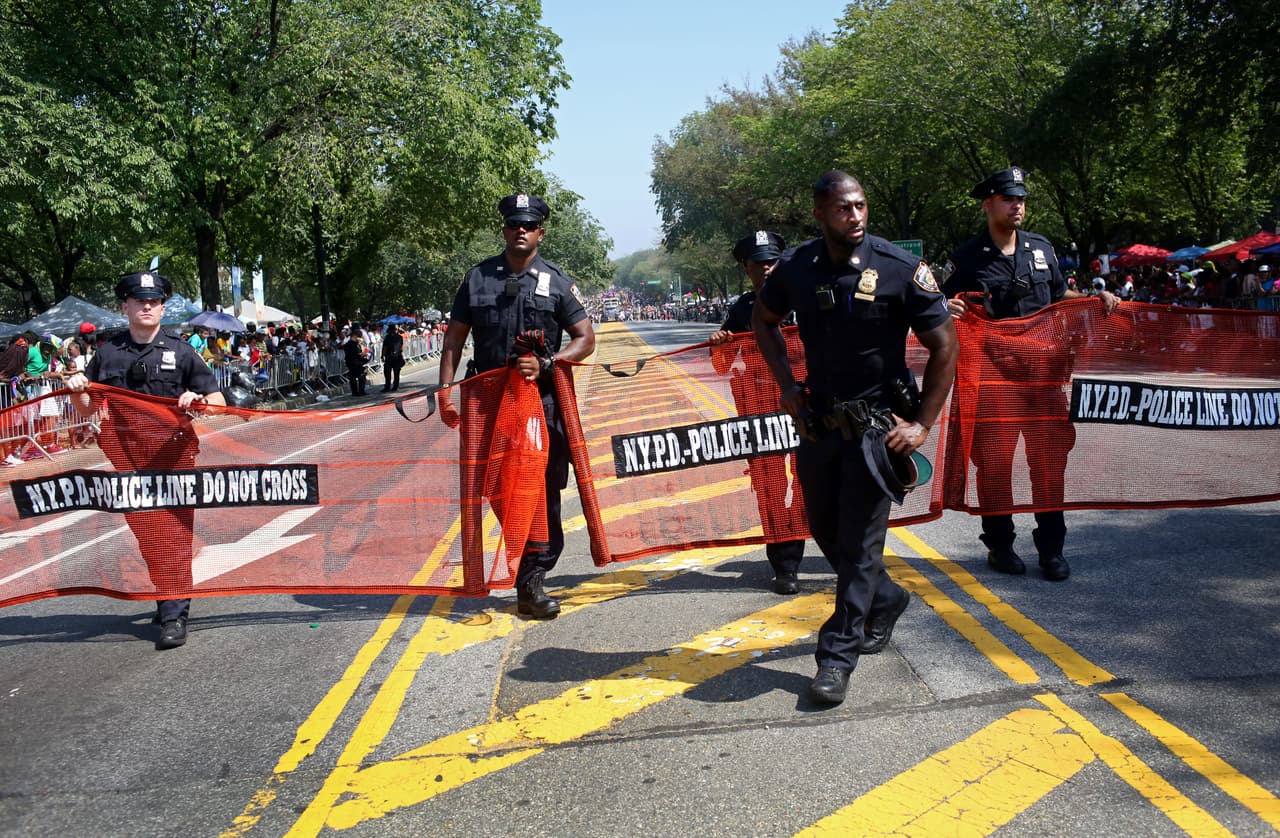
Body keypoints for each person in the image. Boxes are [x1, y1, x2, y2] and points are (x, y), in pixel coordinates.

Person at [753, 171, 958, 704]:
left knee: (862, 546)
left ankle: (835, 657)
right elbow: (764, 318)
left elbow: (945, 345)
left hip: (877, 432)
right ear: (820, 214)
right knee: (825, 530)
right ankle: (885, 601)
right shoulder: (797, 266)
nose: (856, 216)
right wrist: (787, 386)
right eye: (844, 209)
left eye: (861, 206)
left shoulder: (900, 267)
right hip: (820, 423)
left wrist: (923, 424)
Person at [943, 166, 1119, 582]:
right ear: (988, 205)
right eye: (1008, 198)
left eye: (1021, 198)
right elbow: (937, 303)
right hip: (993, 377)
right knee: (995, 463)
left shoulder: (1042, 249)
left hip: (1042, 378)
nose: (1017, 205)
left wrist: (1095, 300)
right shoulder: (967, 257)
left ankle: (1052, 549)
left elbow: (1059, 296)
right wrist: (946, 310)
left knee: (1047, 463)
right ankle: (1000, 545)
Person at [437, 193, 596, 618]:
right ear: (504, 229)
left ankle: (532, 580)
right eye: (513, 224)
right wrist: (444, 390)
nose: (520, 230)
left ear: (541, 232)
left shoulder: (556, 281)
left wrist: (548, 362)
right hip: (487, 407)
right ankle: (529, 571)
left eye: (528, 225)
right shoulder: (477, 278)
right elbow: (454, 338)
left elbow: (585, 339)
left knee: (543, 492)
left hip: (540, 406)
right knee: (499, 492)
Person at [63, 271, 226, 650]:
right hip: (129, 460)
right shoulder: (107, 354)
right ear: (125, 307)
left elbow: (217, 402)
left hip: (174, 457)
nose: (147, 306)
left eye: (154, 301)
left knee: (173, 534)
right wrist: (75, 390)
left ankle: (174, 612)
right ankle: (167, 593)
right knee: (148, 536)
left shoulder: (181, 350)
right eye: (139, 301)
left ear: (163, 307)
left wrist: (197, 402)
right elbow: (89, 405)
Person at [709, 231, 810, 594]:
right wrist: (720, 346)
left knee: (810, 479)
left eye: (772, 262)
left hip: (810, 405)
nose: (766, 269)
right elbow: (721, 367)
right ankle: (784, 564)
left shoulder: (806, 295)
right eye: (758, 264)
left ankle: (809, 543)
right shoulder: (741, 309)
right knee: (770, 484)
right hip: (763, 408)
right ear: (746, 269)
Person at [341, 325, 368, 396]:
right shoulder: (353, 345)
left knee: (353, 377)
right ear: (356, 336)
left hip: (350, 362)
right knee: (361, 376)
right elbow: (356, 354)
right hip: (356, 362)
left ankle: (355, 392)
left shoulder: (349, 344)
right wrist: (363, 355)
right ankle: (361, 391)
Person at [381, 323, 405, 392]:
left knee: (387, 373)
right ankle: (395, 386)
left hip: (389, 357)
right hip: (397, 356)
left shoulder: (387, 337)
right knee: (396, 373)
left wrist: (382, 355)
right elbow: (401, 347)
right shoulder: (400, 337)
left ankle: (387, 386)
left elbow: (385, 347)